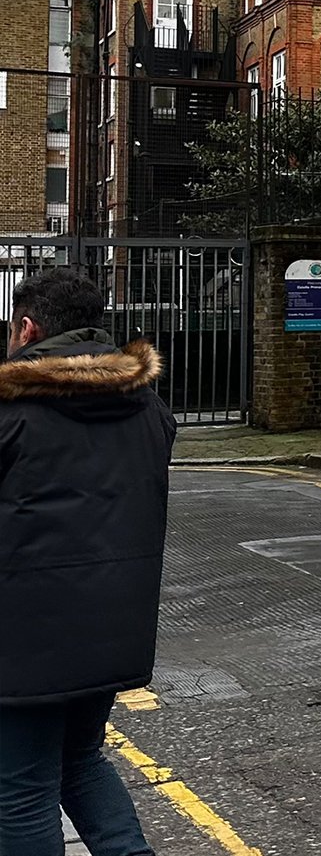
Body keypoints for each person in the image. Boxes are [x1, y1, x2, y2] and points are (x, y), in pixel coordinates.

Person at [0, 270, 175, 856]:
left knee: (20, 790)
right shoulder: (148, 407)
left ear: (28, 328)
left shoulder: (13, 412)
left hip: (21, 638)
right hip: (110, 628)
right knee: (79, 760)